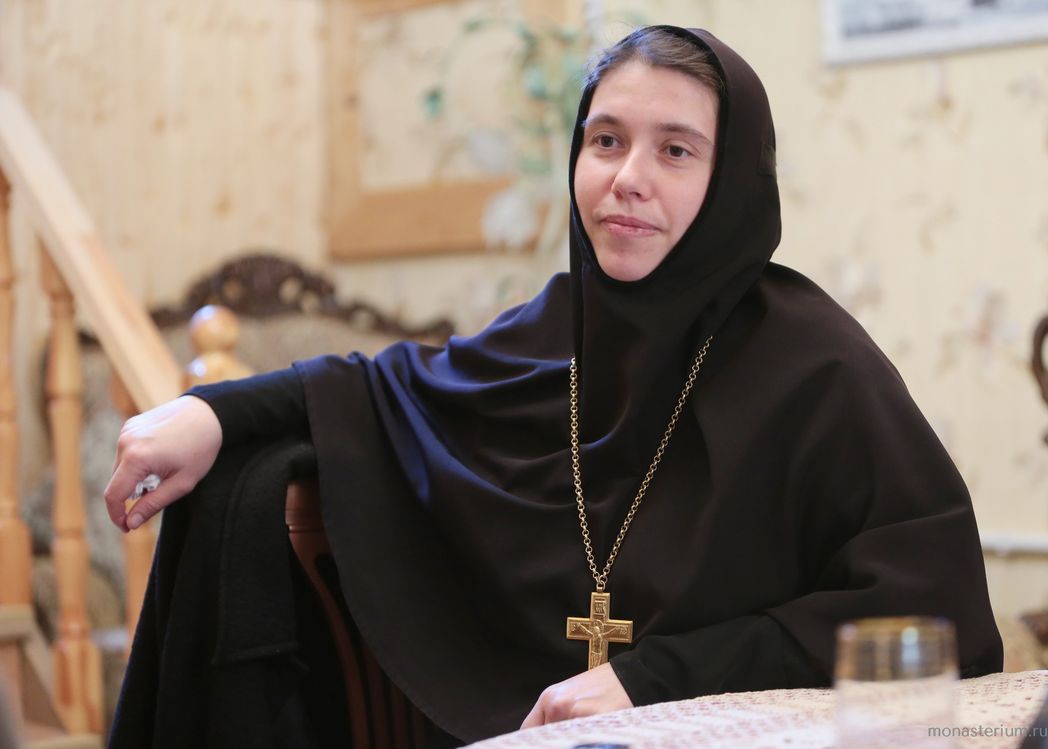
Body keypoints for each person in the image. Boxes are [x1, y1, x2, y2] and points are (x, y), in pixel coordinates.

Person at [104, 25, 1003, 746]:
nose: (627, 180)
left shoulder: (818, 364)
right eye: (606, 141)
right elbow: (387, 388)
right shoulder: (555, 327)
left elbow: (932, 611)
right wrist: (211, 411)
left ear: (731, 179)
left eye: (676, 150)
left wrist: (655, 676)